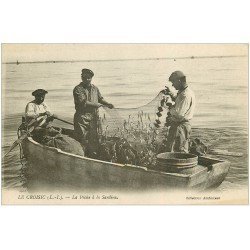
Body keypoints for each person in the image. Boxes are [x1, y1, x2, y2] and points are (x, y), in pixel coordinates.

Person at [73, 68, 114, 156]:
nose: (87, 79)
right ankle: (81, 156)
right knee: (82, 138)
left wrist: (108, 104)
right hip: (82, 118)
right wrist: (96, 105)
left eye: (89, 77)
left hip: (94, 118)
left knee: (94, 138)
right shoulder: (78, 89)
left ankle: (92, 155)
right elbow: (83, 102)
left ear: (91, 78)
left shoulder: (95, 88)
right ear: (81, 77)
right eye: (84, 77)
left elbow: (100, 99)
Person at [164, 71, 195, 153]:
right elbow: (179, 101)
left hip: (181, 126)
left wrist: (170, 107)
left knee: (178, 151)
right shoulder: (185, 92)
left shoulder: (185, 95)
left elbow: (178, 113)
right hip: (182, 125)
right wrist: (171, 94)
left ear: (179, 81)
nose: (172, 85)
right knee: (179, 149)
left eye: (173, 82)